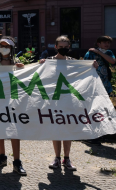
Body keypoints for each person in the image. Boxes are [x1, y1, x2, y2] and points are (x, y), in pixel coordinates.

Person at [38, 36, 96, 171]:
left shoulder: (74, 62)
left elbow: (83, 76)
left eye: (66, 47)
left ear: (69, 47)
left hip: (70, 100)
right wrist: (40, 65)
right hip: (53, 100)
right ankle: (57, 158)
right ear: (55, 47)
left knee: (68, 130)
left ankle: (67, 158)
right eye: (61, 47)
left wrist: (91, 67)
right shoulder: (48, 62)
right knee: (56, 130)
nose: (63, 49)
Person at [0, 37, 27, 176]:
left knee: (15, 131)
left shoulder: (16, 62)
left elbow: (26, 79)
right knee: (0, 129)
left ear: (12, 48)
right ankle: (2, 156)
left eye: (7, 46)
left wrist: (23, 70)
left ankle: (17, 161)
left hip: (14, 100)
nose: (4, 48)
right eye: (2, 45)